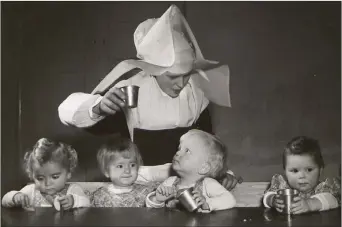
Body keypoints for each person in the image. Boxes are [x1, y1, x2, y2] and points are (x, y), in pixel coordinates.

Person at [58, 4, 239, 190]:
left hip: (187, 186)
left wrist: (222, 173)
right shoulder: (131, 92)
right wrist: (98, 108)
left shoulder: (195, 94)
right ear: (153, 70)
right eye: (173, 77)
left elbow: (208, 147)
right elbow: (69, 113)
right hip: (139, 185)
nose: (181, 83)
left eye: (186, 75)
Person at [145, 129, 236, 213]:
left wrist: (207, 203)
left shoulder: (207, 184)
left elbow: (230, 200)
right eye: (179, 148)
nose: (178, 153)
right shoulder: (170, 182)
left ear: (203, 167)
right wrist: (157, 200)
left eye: (187, 151)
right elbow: (153, 212)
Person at [2, 138, 90, 211]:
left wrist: (73, 201)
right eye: (40, 178)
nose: (47, 183)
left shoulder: (72, 190)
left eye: (55, 177)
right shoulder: (31, 191)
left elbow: (87, 202)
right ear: (32, 175)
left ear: (68, 173)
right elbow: (4, 200)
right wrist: (15, 197)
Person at [263, 136, 340, 214]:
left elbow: (332, 200)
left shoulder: (323, 188)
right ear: (285, 172)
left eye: (309, 170)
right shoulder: (283, 186)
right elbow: (267, 196)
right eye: (295, 171)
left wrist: (309, 204)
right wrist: (272, 200)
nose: (302, 176)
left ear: (320, 170)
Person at [91, 137, 158, 207]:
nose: (127, 170)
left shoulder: (146, 193)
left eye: (132, 165)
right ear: (106, 172)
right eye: (120, 166)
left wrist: (157, 200)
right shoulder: (99, 196)